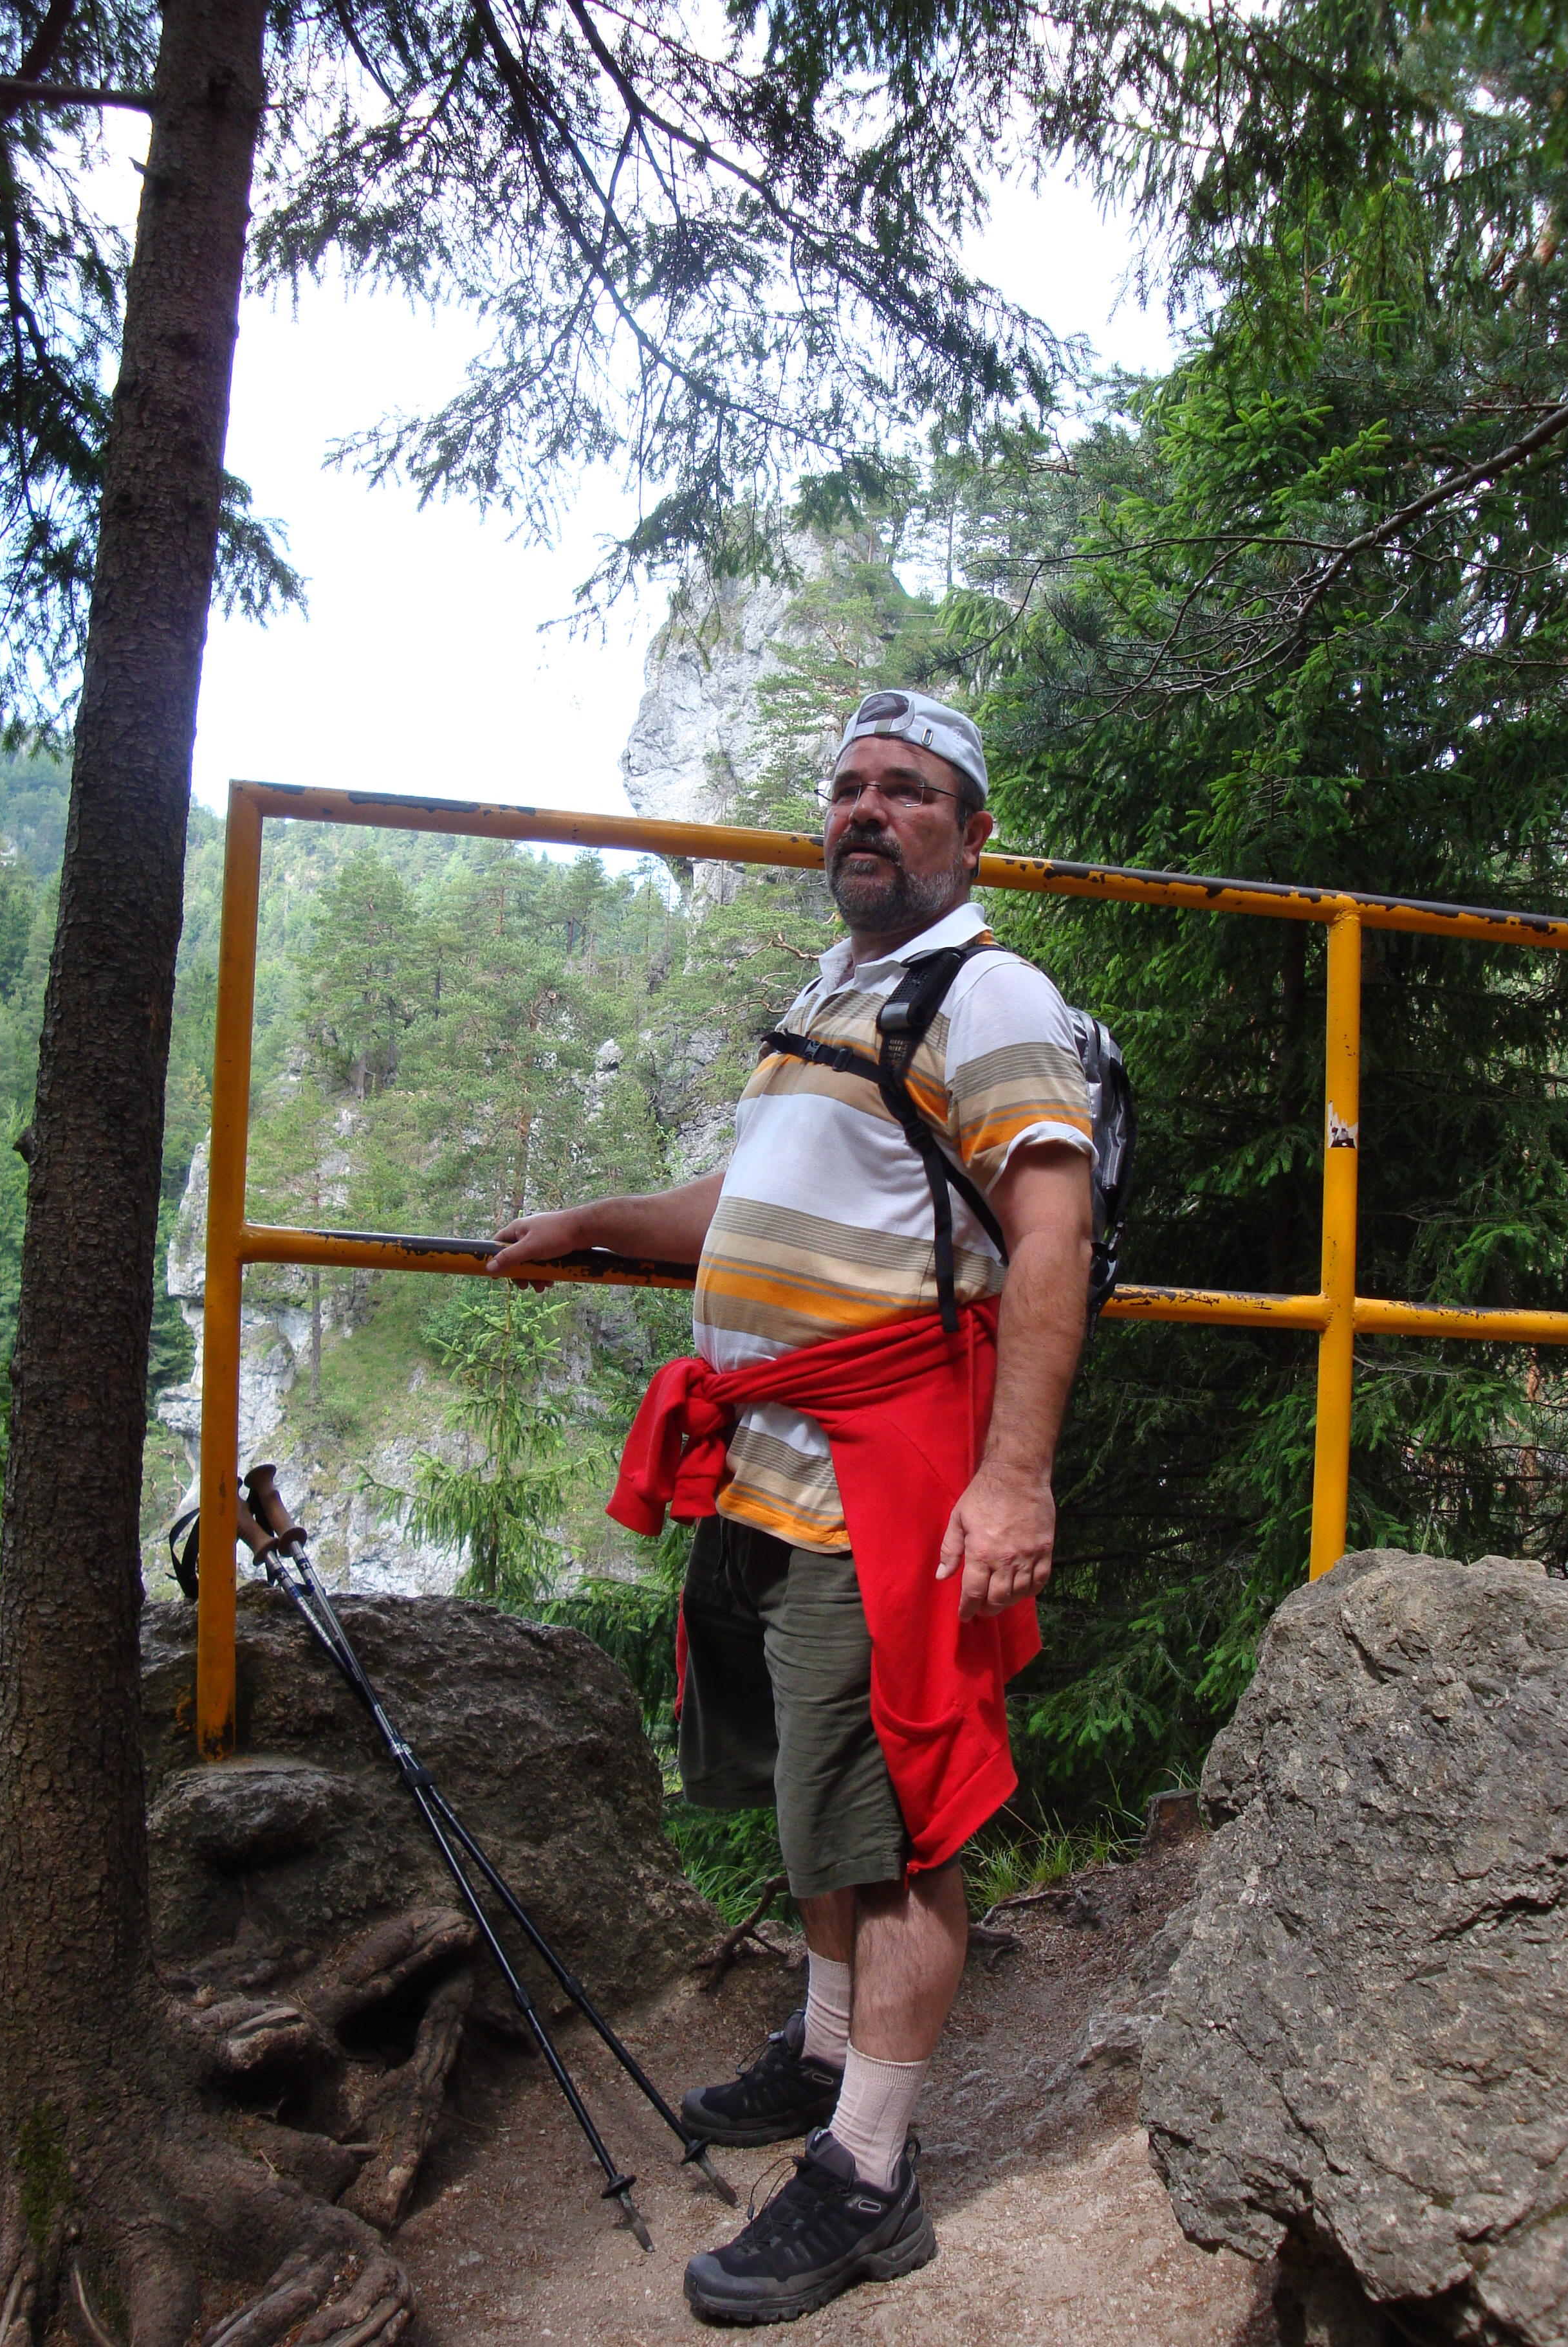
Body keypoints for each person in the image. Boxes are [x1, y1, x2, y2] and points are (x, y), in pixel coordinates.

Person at [490, 686, 1093, 2324]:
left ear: (971, 833)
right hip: (769, 1468)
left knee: (892, 1828)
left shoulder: (990, 995)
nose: (866, 812)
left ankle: (871, 2172)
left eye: (907, 791)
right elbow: (743, 1201)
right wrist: (595, 1221)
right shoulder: (835, 993)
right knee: (815, 1803)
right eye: (847, 788)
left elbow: (1052, 1237)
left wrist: (1014, 1479)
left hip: (884, 1482)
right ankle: (827, 2050)